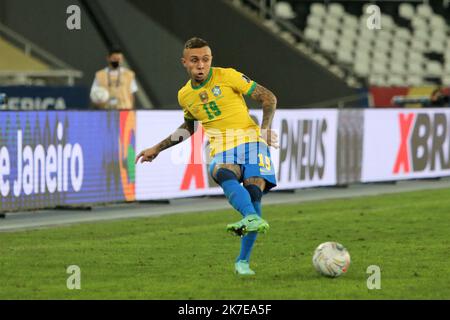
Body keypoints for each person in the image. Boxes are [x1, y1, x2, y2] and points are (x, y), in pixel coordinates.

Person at [135, 37, 278, 275]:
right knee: (221, 170)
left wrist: (265, 128)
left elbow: (268, 97)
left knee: (254, 193)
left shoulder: (229, 76)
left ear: (211, 60)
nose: (201, 65)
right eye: (195, 60)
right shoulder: (185, 95)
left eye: (205, 59)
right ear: (184, 63)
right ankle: (250, 221)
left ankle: (243, 260)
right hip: (222, 146)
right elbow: (189, 128)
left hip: (252, 142)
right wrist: (156, 149)